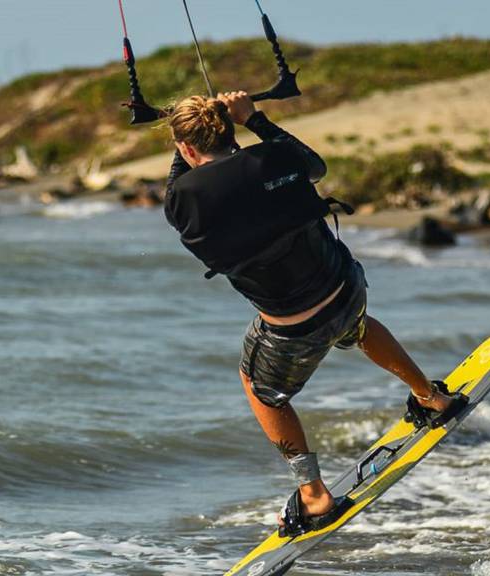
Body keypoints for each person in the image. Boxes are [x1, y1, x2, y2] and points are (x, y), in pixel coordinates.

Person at [163, 91, 464, 537]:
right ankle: (431, 398)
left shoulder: (182, 200)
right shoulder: (276, 158)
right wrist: (254, 118)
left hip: (294, 328)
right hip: (347, 289)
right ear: (229, 128)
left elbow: (180, 186)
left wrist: (181, 144)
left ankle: (313, 494)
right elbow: (314, 165)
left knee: (261, 389)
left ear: (187, 149)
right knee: (358, 327)